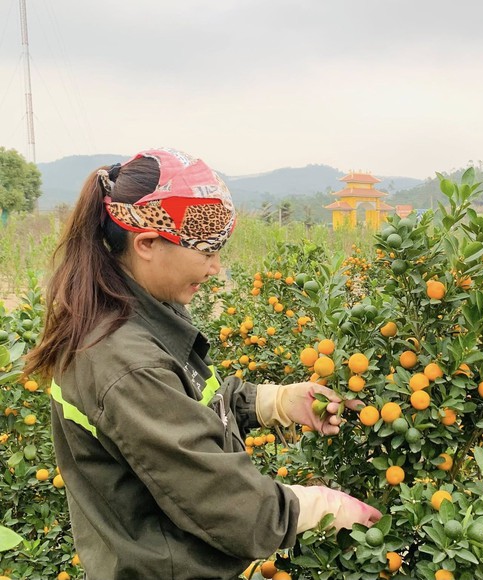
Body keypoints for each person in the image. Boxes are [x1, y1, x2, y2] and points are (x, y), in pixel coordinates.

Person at [24, 148, 381, 579]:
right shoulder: (123, 361)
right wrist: (317, 506)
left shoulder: (140, 310)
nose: (215, 267)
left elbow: (182, 396)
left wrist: (272, 402)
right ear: (147, 243)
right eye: (207, 251)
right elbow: (232, 508)